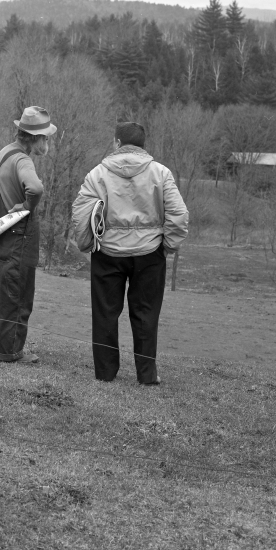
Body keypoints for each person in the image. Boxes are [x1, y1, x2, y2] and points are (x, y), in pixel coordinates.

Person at [71, 121, 188, 384]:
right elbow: (178, 216)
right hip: (149, 253)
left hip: (108, 252)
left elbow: (80, 215)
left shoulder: (97, 174)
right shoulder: (161, 173)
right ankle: (147, 375)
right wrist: (167, 245)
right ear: (143, 146)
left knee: (105, 313)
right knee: (146, 314)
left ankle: (105, 373)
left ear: (117, 143)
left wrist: (86, 243)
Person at [0, 106, 56, 363]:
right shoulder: (23, 160)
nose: (47, 141)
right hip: (17, 237)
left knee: (6, 294)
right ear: (33, 137)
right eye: (45, 136)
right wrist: (27, 206)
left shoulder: (4, 152)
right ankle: (10, 352)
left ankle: (6, 347)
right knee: (18, 294)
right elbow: (35, 188)